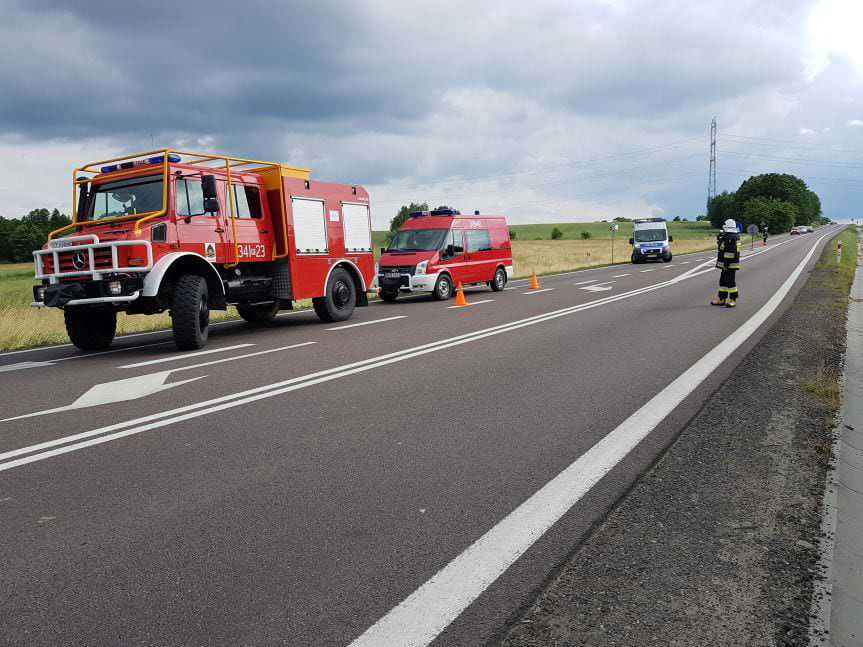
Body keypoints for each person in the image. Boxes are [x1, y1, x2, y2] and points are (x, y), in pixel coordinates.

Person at [711, 219, 741, 308]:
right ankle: (722, 299)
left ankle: (733, 300)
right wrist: (720, 241)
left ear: (728, 227)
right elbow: (723, 248)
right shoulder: (729, 236)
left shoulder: (731, 237)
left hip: (729, 264)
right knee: (723, 281)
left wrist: (726, 265)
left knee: (730, 282)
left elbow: (730, 253)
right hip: (727, 264)